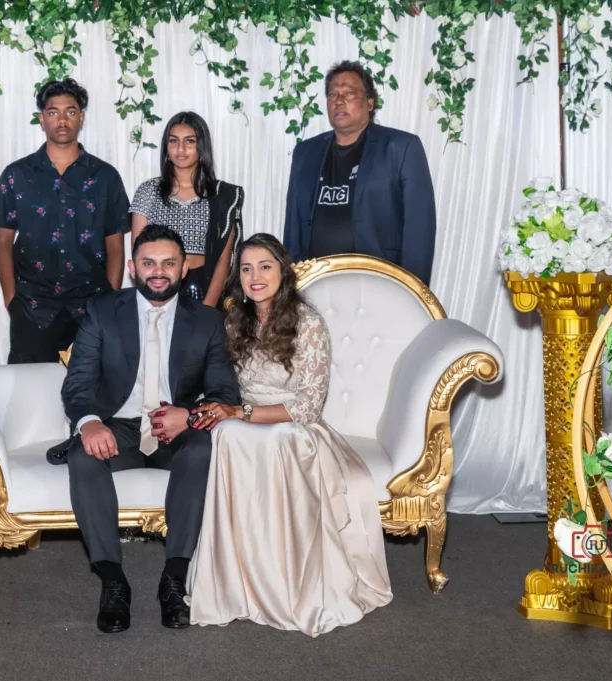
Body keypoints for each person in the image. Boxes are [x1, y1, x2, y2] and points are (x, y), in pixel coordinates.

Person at [187, 233, 392, 637]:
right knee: (224, 435)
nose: (255, 276)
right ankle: (237, 583)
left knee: (278, 439)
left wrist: (241, 412)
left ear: (283, 271)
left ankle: (288, 583)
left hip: (294, 428)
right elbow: (221, 383)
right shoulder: (233, 321)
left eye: (265, 266)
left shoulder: (308, 322)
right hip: (242, 425)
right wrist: (219, 409)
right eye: (246, 269)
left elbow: (308, 406)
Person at [60, 224, 241, 634]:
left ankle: (174, 579)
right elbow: (78, 382)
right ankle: (112, 581)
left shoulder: (208, 321)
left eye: (168, 263)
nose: (158, 271)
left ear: (184, 269)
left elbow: (225, 393)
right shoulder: (103, 312)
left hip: (176, 430)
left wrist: (190, 416)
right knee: (80, 455)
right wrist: (88, 424)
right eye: (148, 263)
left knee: (200, 449)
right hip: (119, 426)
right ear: (131, 268)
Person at [0, 78, 130, 364]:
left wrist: (110, 302)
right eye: (53, 112)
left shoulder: (105, 176)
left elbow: (115, 245)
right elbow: (3, 241)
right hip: (32, 307)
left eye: (71, 111)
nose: (62, 120)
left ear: (81, 117)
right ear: (42, 119)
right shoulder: (17, 174)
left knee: (90, 396)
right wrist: (12, 301)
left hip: (92, 307)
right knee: (29, 398)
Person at [282, 60, 438, 285]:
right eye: (333, 94)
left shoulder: (401, 147)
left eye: (350, 93)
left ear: (369, 103)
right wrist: (293, 283)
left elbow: (419, 228)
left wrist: (412, 292)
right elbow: (293, 226)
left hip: (379, 282)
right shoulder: (305, 153)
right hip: (316, 282)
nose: (339, 100)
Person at [129, 111, 244, 307]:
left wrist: (207, 309)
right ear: (166, 147)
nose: (180, 149)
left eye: (189, 141)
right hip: (158, 287)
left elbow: (224, 260)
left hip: (205, 288)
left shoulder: (222, 195)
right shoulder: (148, 191)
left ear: (202, 146)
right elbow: (139, 252)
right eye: (173, 141)